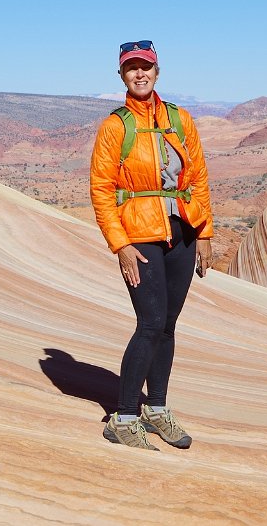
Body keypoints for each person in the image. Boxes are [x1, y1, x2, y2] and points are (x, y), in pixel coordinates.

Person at [89, 39, 214, 451]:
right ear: (122, 75)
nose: (139, 74)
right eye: (131, 68)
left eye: (146, 67)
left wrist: (206, 234)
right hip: (140, 237)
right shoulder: (116, 126)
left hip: (183, 233)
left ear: (157, 72)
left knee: (169, 325)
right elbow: (101, 190)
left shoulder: (180, 119)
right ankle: (123, 418)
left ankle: (155, 409)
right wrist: (119, 244)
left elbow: (198, 177)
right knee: (150, 322)